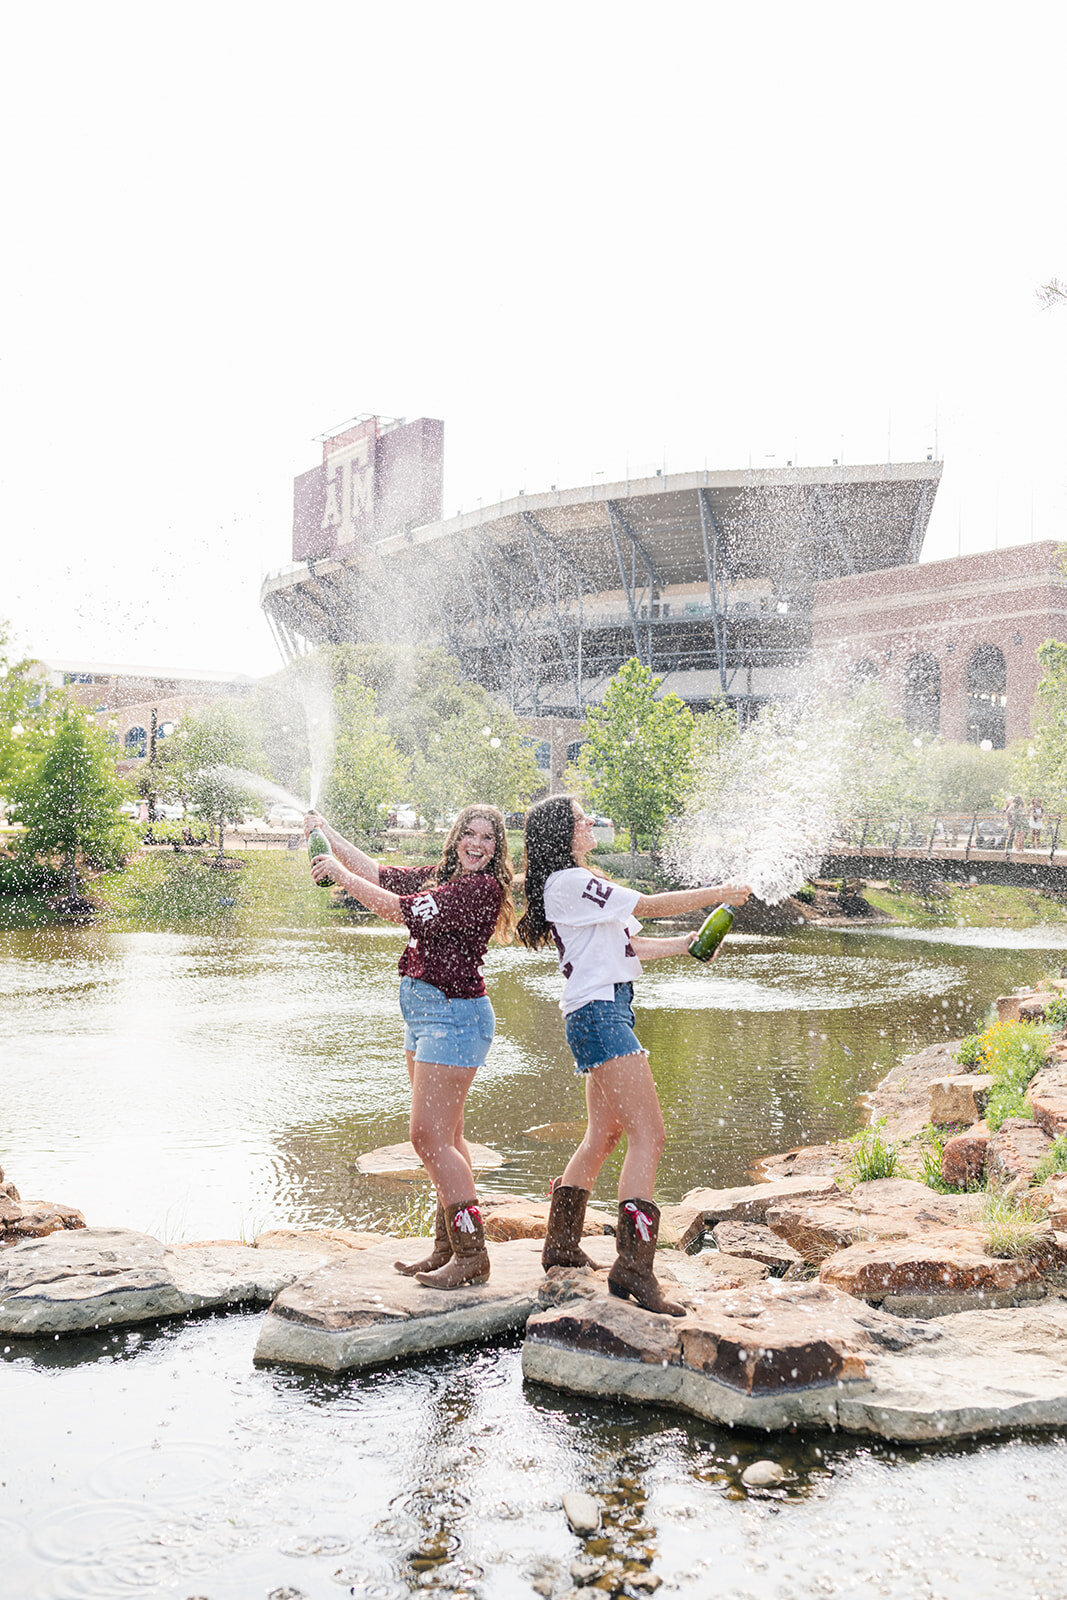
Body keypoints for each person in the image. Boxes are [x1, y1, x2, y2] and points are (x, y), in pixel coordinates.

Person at [516, 795, 750, 1317]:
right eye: (580, 818)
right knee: (651, 1135)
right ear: (562, 831)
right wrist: (721, 892)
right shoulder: (568, 882)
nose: (589, 822)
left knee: (604, 1135)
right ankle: (635, 1269)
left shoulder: (578, 882)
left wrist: (686, 943)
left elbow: (629, 946)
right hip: (599, 1014)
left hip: (603, 1010)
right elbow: (645, 903)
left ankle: (560, 1244)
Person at [305, 804, 515, 1290]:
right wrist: (329, 835)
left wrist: (334, 873)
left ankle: (472, 1255)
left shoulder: (477, 889)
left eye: (488, 837)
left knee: (427, 1139)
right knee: (449, 1139)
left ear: (497, 846)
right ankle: (447, 1249)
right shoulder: (444, 877)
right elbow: (380, 874)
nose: (477, 844)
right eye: (469, 833)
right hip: (426, 1015)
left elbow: (394, 909)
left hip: (454, 1017)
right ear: (456, 837)